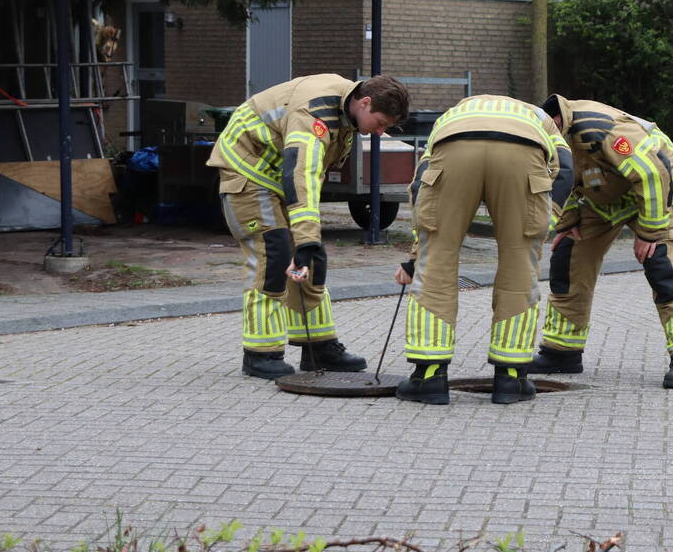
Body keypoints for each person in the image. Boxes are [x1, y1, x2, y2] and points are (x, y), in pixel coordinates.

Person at [209, 73, 410, 379]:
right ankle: (260, 354)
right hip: (247, 173)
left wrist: (307, 242)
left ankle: (319, 347)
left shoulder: (346, 111)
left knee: (312, 257)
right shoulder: (314, 113)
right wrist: (304, 239)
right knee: (273, 253)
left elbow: (309, 178)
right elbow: (301, 173)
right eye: (381, 122)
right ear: (365, 102)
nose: (381, 132)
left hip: (280, 178)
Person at [393, 95, 574, 405]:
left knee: (436, 260)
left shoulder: (454, 113)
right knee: (519, 263)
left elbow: (420, 184)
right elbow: (566, 170)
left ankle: (429, 377)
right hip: (524, 155)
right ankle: (511, 379)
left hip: (454, 148)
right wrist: (542, 224)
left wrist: (416, 254)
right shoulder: (541, 119)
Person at [528, 95, 673, 389]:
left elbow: (652, 174)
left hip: (657, 195)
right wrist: (569, 218)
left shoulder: (600, 128)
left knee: (661, 264)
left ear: (555, 123)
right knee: (568, 256)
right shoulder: (545, 139)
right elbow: (557, 181)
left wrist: (649, 232)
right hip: (602, 197)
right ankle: (561, 351)